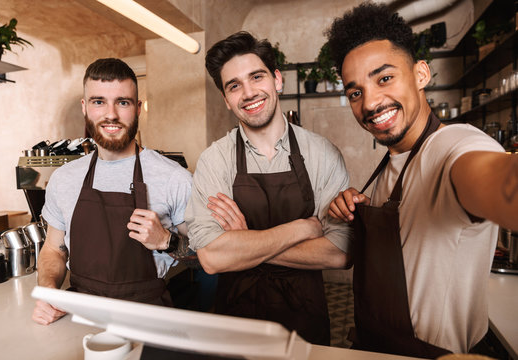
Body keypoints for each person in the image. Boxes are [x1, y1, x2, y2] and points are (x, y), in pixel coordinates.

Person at [326, 2, 518, 357]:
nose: (370, 103)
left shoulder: (454, 146)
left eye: (384, 78)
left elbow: (497, 180)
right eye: (355, 92)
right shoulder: (388, 164)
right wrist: (360, 207)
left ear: (420, 74)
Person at [184, 31, 352, 346]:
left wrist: (244, 242)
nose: (248, 92)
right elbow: (211, 259)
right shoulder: (214, 160)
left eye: (256, 77)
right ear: (226, 98)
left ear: (276, 79)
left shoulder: (321, 153)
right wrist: (305, 228)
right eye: (234, 86)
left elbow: (339, 253)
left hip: (306, 326)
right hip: (237, 325)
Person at [32, 58, 193, 325]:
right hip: (79, 318)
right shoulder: (64, 179)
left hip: (147, 320)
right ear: (85, 107)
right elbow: (54, 250)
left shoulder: (174, 177)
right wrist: (48, 290)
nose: (111, 115)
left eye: (123, 102)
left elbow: (207, 258)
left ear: (138, 108)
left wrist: (168, 241)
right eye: (98, 102)